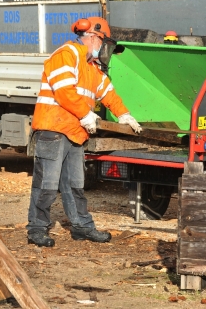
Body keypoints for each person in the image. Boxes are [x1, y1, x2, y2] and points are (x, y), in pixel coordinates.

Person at [27, 16, 143, 247]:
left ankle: (82, 227)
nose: (105, 49)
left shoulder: (92, 68)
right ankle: (37, 229)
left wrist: (124, 115)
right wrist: (85, 114)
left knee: (75, 185)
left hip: (75, 132)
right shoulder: (66, 54)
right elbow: (64, 91)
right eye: (104, 43)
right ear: (92, 37)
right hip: (54, 129)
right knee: (46, 185)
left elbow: (108, 93)